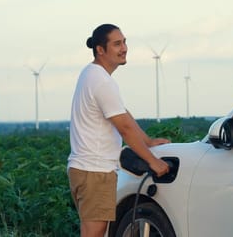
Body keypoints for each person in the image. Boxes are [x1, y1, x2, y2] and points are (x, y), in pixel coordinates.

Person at [67, 23, 170, 237]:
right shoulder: (102, 81)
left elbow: (122, 113)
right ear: (100, 50)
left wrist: (148, 141)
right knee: (94, 233)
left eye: (124, 42)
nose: (124, 48)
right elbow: (124, 128)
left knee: (92, 231)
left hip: (85, 169)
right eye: (117, 44)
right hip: (95, 170)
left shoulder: (91, 74)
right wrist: (153, 161)